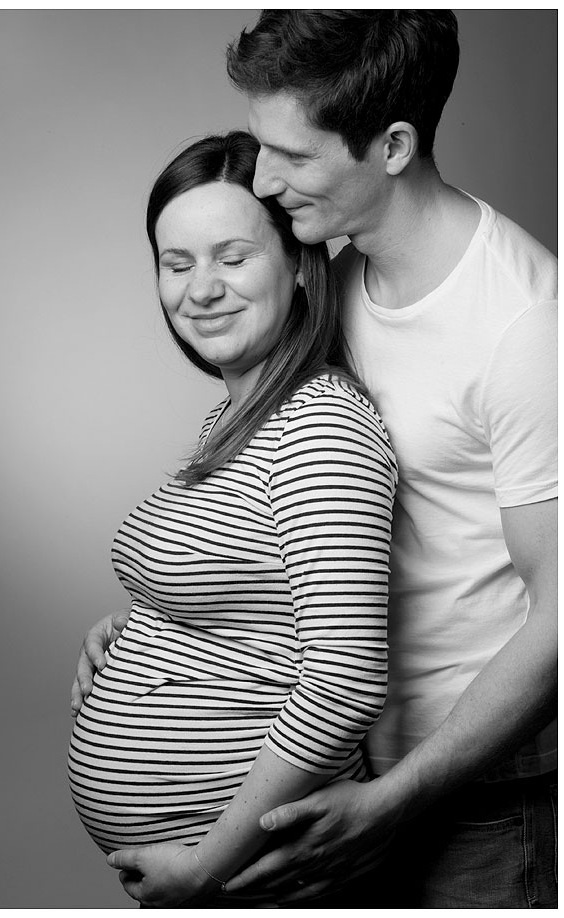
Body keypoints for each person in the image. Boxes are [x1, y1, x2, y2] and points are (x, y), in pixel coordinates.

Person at [72, 10, 557, 909]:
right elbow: (304, 534)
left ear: (393, 145)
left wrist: (396, 798)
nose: (261, 178)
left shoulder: (524, 324)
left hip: (476, 798)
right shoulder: (334, 280)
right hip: (361, 769)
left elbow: (561, 615)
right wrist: (172, 630)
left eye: (291, 157)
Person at [68, 129, 398, 908]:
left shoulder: (318, 424)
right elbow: (263, 601)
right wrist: (147, 627)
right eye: (175, 264)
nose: (200, 288)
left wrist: (207, 863)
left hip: (260, 876)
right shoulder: (243, 415)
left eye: (232, 256)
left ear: (296, 263)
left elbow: (345, 678)